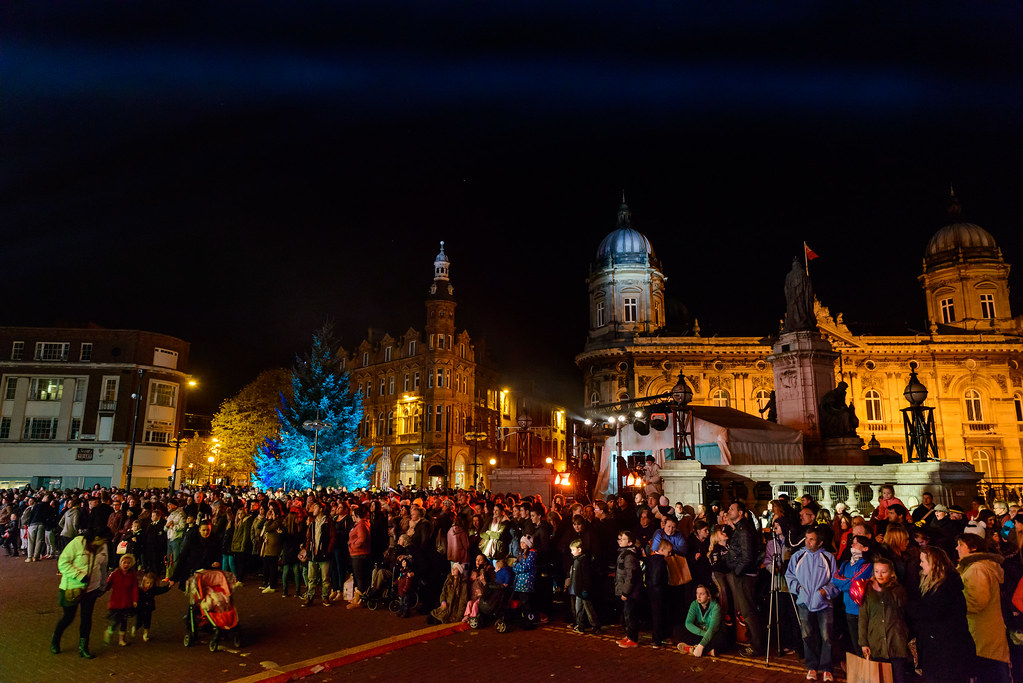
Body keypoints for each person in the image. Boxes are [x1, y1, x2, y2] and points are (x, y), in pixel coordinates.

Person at [906, 546, 977, 682]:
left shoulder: (946, 588)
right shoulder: (938, 584)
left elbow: (931, 612)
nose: (920, 565)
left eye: (923, 561)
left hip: (946, 651)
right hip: (939, 648)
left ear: (933, 563)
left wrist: (909, 606)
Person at [786, 527, 839, 682]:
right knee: (807, 635)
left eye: (811, 539)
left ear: (820, 542)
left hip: (824, 603)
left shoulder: (828, 558)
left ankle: (827, 668)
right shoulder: (798, 556)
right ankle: (811, 666)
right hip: (804, 601)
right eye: (806, 538)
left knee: (827, 636)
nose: (807, 542)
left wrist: (824, 592)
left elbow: (835, 581)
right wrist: (799, 589)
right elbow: (790, 576)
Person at [957, 532, 1012, 682]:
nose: (957, 548)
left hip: (983, 634)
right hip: (986, 633)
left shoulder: (977, 569)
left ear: (973, 548)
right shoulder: (978, 567)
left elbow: (977, 602)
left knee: (991, 673)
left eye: (961, 545)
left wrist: (956, 606)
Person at [52, 526, 113, 658]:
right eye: (104, 540)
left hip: (92, 589)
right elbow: (63, 563)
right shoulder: (78, 543)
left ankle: (83, 647)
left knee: (86, 618)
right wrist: (79, 575)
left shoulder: (102, 547)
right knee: (68, 618)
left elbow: (103, 566)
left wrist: (102, 586)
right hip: (72, 588)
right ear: (96, 537)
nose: (105, 543)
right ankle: (55, 640)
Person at [859, 557, 910, 683]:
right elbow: (863, 618)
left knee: (898, 678)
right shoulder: (869, 591)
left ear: (892, 573)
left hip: (896, 643)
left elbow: (898, 604)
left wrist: (882, 590)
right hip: (876, 643)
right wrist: (863, 642)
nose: (879, 575)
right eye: (876, 571)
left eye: (883, 571)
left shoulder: (899, 590)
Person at [724, 501, 764, 657]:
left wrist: (737, 571)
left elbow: (747, 557)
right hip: (743, 573)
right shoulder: (740, 529)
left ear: (740, 512)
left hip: (745, 575)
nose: (729, 511)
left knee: (748, 611)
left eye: (732, 509)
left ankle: (756, 645)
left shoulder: (744, 530)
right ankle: (754, 642)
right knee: (747, 610)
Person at [831, 534, 873, 654]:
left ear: (865, 548)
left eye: (856, 543)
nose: (852, 545)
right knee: (854, 644)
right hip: (848, 609)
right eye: (852, 543)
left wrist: (844, 583)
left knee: (865, 644)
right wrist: (848, 583)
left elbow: (856, 582)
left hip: (862, 610)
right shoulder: (845, 564)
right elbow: (835, 579)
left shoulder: (867, 565)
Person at [678, 584, 726, 657]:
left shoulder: (715, 607)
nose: (698, 596)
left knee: (722, 638)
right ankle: (709, 651)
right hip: (701, 634)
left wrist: (701, 645)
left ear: (709, 596)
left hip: (712, 633)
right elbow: (688, 623)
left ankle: (692, 649)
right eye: (697, 593)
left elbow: (713, 628)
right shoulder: (694, 604)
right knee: (677, 630)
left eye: (702, 594)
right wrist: (704, 634)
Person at [303, 500, 335, 607]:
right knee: (311, 578)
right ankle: (310, 596)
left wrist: (328, 550)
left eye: (315, 508)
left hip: (324, 553)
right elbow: (308, 537)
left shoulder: (327, 522)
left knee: (325, 578)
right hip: (313, 553)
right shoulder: (312, 522)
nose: (313, 510)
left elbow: (332, 537)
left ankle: (325, 596)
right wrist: (308, 550)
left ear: (321, 509)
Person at [614, 529, 643, 648]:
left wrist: (626, 591)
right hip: (627, 590)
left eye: (624, 539)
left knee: (630, 615)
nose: (620, 541)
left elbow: (630, 575)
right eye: (620, 538)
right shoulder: (624, 553)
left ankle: (633, 639)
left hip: (631, 592)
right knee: (627, 614)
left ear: (630, 542)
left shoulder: (629, 556)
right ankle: (629, 635)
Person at [104, 553, 139, 647]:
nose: (126, 564)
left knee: (124, 621)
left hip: (127, 602)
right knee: (115, 620)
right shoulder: (115, 574)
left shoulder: (132, 575)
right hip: (116, 601)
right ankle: (110, 631)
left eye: (128, 563)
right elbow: (108, 584)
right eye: (124, 562)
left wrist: (135, 600)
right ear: (121, 563)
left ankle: (121, 639)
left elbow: (135, 588)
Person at [566, 538, 599, 634]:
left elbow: (585, 576)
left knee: (587, 608)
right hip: (579, 590)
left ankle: (595, 625)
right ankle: (580, 625)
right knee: (579, 608)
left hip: (582, 589)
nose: (571, 552)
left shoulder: (581, 561)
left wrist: (585, 588)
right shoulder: (578, 560)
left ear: (579, 550)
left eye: (573, 550)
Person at [134, 571, 172, 642]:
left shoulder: (153, 590)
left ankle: (145, 635)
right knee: (139, 621)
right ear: (143, 582)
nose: (149, 585)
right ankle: (135, 627)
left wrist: (169, 585)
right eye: (147, 583)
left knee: (147, 622)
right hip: (140, 608)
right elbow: (134, 596)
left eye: (151, 583)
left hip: (149, 608)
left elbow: (162, 590)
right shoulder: (140, 590)